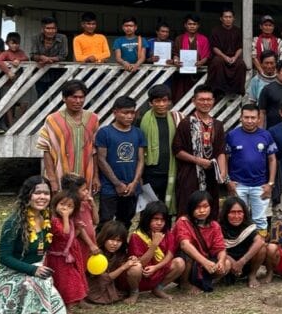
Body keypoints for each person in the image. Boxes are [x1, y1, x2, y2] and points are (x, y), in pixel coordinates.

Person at [0, 176, 67, 314]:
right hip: (10, 276)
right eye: (37, 193)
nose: (42, 197)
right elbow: (4, 257)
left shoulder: (47, 220)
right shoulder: (14, 222)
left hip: (36, 272)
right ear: (27, 195)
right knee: (28, 284)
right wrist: (32, 270)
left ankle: (28, 312)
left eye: (46, 193)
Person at [172, 84, 227, 218]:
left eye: (208, 99)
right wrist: (198, 160)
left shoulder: (218, 125)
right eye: (201, 99)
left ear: (213, 101)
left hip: (211, 175)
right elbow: (177, 150)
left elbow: (220, 151)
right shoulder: (186, 123)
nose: (205, 102)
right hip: (190, 174)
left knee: (210, 209)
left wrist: (223, 171)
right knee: (188, 208)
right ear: (194, 101)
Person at [37, 80, 100, 193]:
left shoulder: (93, 119)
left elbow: (94, 151)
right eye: (74, 97)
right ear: (64, 98)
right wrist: (52, 180)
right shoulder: (52, 120)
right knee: (61, 207)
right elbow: (46, 150)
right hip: (60, 175)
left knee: (83, 206)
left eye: (81, 97)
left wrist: (96, 176)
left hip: (85, 175)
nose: (78, 101)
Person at [223, 103, 277, 233]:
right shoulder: (232, 135)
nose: (249, 121)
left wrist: (270, 183)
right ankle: (239, 247)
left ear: (259, 119)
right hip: (238, 185)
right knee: (237, 218)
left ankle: (260, 249)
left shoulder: (266, 135)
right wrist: (227, 180)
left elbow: (272, 159)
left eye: (253, 118)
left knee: (260, 220)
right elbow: (224, 158)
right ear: (241, 118)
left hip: (260, 186)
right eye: (246, 117)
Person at [95, 96, 147, 225]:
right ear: (115, 112)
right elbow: (101, 159)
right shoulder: (104, 132)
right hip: (109, 187)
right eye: (125, 113)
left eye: (132, 112)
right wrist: (117, 184)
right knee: (105, 222)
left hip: (131, 186)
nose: (129, 116)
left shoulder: (138, 133)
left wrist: (134, 183)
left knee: (126, 221)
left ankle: (123, 245)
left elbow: (141, 160)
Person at [139, 84, 184, 213]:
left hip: (170, 172)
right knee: (147, 211)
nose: (161, 104)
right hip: (149, 174)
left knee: (166, 210)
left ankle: (166, 233)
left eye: (164, 100)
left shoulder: (176, 120)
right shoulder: (143, 121)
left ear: (169, 102)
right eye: (157, 101)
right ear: (150, 103)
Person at [44, 191, 89, 314]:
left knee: (72, 279)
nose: (65, 208)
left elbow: (70, 237)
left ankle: (72, 305)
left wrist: (78, 229)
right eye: (62, 204)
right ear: (55, 204)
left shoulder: (69, 220)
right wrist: (65, 217)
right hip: (58, 258)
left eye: (70, 206)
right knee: (64, 282)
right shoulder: (54, 220)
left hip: (68, 256)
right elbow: (64, 234)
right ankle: (66, 309)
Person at [128, 201, 185, 299]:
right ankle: (134, 292)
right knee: (135, 268)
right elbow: (140, 262)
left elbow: (170, 255)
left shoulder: (167, 234)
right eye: (156, 219)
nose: (159, 223)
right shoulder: (136, 236)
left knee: (179, 262)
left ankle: (158, 288)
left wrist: (156, 267)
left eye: (162, 220)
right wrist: (154, 245)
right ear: (147, 218)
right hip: (143, 274)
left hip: (158, 270)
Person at [175, 190, 228, 294]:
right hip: (188, 263)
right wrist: (204, 262)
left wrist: (221, 261)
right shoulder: (183, 221)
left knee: (227, 263)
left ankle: (206, 281)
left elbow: (220, 248)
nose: (202, 210)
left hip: (205, 264)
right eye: (198, 207)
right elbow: (184, 244)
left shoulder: (214, 225)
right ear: (191, 208)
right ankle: (184, 283)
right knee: (187, 256)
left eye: (205, 206)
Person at [85, 220, 142, 305]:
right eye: (111, 239)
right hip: (96, 287)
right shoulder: (96, 253)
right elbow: (104, 279)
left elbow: (123, 263)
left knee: (136, 266)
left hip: (114, 284)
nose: (115, 244)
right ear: (104, 238)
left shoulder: (119, 252)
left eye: (118, 241)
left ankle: (134, 292)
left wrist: (130, 260)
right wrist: (124, 267)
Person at [219, 197, 268, 288]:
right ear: (226, 213)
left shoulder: (248, 225)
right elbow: (217, 249)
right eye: (232, 212)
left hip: (245, 262)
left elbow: (260, 241)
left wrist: (241, 262)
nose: (237, 216)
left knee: (262, 248)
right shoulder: (218, 227)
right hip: (227, 262)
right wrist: (233, 262)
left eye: (240, 212)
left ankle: (252, 275)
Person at [207, 9, 246, 96]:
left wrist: (235, 57)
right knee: (217, 62)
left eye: (230, 17)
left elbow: (240, 47)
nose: (228, 19)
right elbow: (214, 47)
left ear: (233, 19)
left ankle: (237, 90)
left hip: (233, 56)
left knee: (241, 64)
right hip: (220, 56)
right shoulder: (215, 31)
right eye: (226, 17)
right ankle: (218, 89)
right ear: (221, 18)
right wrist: (225, 57)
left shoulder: (238, 31)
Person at [173, 14, 210, 101]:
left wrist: (202, 62)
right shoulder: (179, 39)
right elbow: (175, 54)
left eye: (194, 24)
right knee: (181, 97)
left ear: (198, 25)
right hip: (182, 74)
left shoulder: (204, 39)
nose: (192, 26)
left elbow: (207, 55)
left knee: (198, 97)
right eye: (190, 24)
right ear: (185, 25)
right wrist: (176, 60)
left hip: (198, 73)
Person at [31, 16, 68, 97]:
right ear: (43, 29)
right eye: (48, 28)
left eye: (53, 28)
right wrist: (41, 57)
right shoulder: (36, 38)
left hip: (58, 73)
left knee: (59, 99)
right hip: (41, 73)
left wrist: (49, 59)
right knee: (42, 100)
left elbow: (63, 55)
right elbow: (33, 55)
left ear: (56, 29)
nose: (51, 31)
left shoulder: (62, 38)